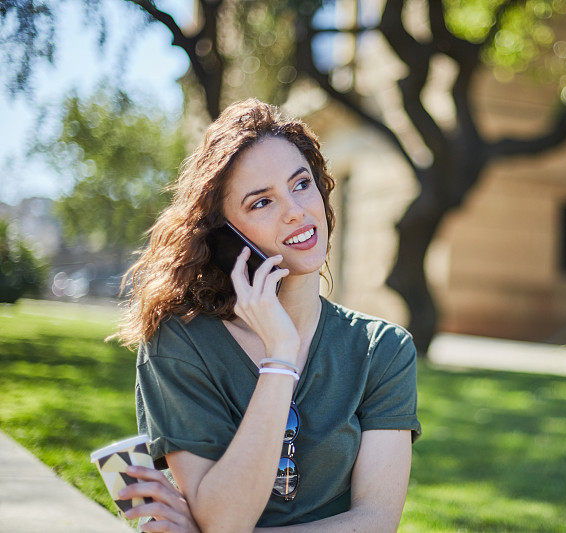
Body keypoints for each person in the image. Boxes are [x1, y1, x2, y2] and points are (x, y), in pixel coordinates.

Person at [106, 98, 422, 532]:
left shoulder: (382, 350)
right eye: (261, 202)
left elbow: (375, 521)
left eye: (301, 184)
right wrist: (281, 354)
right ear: (225, 237)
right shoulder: (180, 343)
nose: (295, 209)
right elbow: (224, 518)